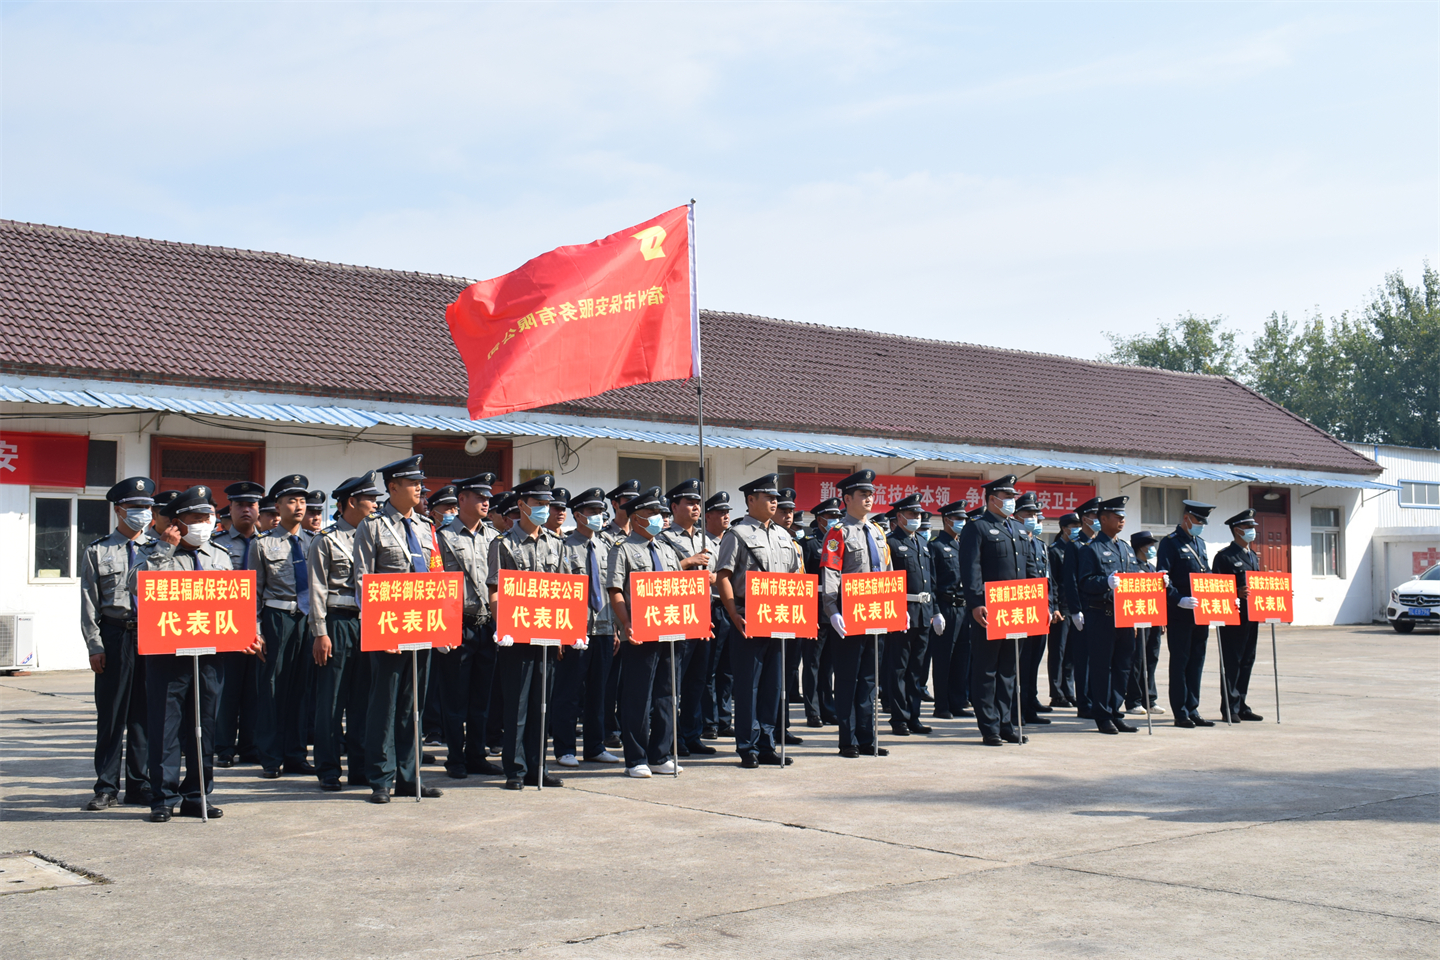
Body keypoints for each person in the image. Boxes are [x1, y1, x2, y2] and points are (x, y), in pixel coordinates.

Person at [130, 485, 262, 821]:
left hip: (209, 655)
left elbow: (235, 602)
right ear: (177, 522)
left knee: (204, 726)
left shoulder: (218, 555)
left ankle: (197, 794)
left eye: (208, 516)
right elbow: (138, 587)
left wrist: (250, 634)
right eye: (195, 517)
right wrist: (164, 549)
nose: (204, 522)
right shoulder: (156, 552)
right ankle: (163, 798)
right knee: (166, 725)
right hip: (167, 655)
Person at [353, 455, 445, 802]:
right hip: (390, 628)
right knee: (385, 703)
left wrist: (443, 625)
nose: (420, 487)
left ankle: (410, 775)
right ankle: (381, 778)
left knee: (413, 704)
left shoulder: (426, 526)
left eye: (420, 482)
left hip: (423, 626)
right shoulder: (372, 526)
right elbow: (363, 581)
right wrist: (380, 630)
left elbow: (436, 576)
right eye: (412, 482)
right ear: (392, 487)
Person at [715, 474, 805, 768]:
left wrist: (802, 614)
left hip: (779, 618)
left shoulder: (784, 536)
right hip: (748, 617)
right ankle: (747, 746)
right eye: (768, 497)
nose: (774, 502)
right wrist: (733, 613)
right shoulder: (737, 534)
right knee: (748, 685)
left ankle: (767, 743)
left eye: (775, 497)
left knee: (772, 685)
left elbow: (795, 578)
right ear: (751, 500)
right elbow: (723, 577)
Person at [79, 476, 157, 810]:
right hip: (114, 634)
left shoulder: (158, 550)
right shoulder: (98, 550)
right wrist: (94, 645)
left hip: (151, 635)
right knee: (111, 714)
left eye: (147, 507)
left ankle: (139, 785)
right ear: (119, 510)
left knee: (143, 715)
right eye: (135, 507)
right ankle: (106, 787)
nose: (142, 512)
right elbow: (88, 603)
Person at [488, 473, 567, 790]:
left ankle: (539, 766)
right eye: (538, 503)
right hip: (516, 635)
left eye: (547, 504)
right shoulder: (503, 544)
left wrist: (565, 632)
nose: (545, 509)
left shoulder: (556, 544)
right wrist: (501, 625)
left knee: (542, 704)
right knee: (517, 706)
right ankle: (516, 769)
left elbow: (563, 590)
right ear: (521, 505)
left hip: (547, 634)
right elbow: (494, 590)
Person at [307, 473, 380, 791]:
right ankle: (328, 768)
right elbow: (316, 590)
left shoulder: (377, 535)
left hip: (369, 624)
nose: (376, 505)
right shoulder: (326, 539)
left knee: (364, 700)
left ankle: (360, 767)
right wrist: (320, 632)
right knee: (331, 700)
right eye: (370, 500)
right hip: (337, 622)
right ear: (351, 502)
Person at [606, 487, 685, 778]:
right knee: (638, 695)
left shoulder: (667, 549)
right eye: (651, 514)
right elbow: (615, 591)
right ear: (636, 517)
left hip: (670, 630)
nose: (658, 519)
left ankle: (660, 754)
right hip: (639, 631)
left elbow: (681, 591)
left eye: (660, 514)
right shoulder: (623, 548)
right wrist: (625, 622)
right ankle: (635, 757)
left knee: (668, 693)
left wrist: (698, 620)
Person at [432, 472, 504, 779]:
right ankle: (455, 758)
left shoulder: (494, 537)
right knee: (454, 699)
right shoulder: (443, 535)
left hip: (487, 625)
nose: (486, 502)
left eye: (488, 497)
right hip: (457, 624)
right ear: (462, 500)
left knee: (481, 698)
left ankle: (476, 755)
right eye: (479, 496)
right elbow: (435, 583)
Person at [959, 475, 1040, 746]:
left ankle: (1006, 722)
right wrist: (975, 602)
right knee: (987, 669)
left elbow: (1029, 569)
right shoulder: (977, 528)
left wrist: (1036, 603)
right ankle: (989, 727)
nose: (1011, 502)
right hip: (990, 610)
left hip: (1017, 607)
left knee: (1009, 670)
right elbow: (971, 569)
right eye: (1007, 498)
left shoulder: (1018, 530)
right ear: (992, 498)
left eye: (1013, 498)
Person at [819, 470, 894, 758]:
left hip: (876, 615)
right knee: (849, 678)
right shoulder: (838, 532)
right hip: (849, 616)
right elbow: (831, 572)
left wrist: (896, 606)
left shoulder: (877, 531)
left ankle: (867, 737)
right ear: (847, 498)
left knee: (869, 680)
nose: (868, 499)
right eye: (862, 494)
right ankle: (847, 739)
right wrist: (832, 609)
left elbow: (886, 572)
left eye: (870, 494)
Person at [249, 474, 316, 779]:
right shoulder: (263, 544)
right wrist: (256, 629)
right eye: (291, 500)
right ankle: (270, 757)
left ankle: (296, 754)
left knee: (302, 688)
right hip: (277, 618)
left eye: (302, 500)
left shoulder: (315, 541)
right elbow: (253, 592)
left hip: (307, 619)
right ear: (277, 506)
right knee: (273, 689)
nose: (299, 506)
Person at [553, 487, 622, 767]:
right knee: (569, 693)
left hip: (604, 629)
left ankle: (595, 745)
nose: (598, 516)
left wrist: (616, 627)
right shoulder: (564, 547)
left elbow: (611, 589)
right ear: (577, 515)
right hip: (575, 631)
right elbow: (557, 591)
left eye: (600, 511)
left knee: (599, 692)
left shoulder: (606, 546)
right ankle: (565, 748)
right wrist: (559, 633)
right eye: (592, 512)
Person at [658, 478, 720, 758]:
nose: (695, 507)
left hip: (704, 615)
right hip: (677, 617)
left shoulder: (706, 538)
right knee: (674, 682)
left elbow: (718, 575)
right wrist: (686, 563)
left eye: (698, 502)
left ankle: (692, 733)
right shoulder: (664, 539)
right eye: (689, 502)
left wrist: (713, 576)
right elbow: (656, 578)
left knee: (698, 680)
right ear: (674, 507)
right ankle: (672, 738)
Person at [1076, 496, 1142, 734]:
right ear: (1103, 519)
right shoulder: (1091, 549)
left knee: (1123, 667)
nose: (1122, 520)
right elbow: (1084, 582)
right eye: (1117, 516)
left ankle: (1115, 711)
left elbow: (1135, 580)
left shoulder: (1125, 548)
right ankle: (1102, 715)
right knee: (1102, 667)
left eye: (1123, 516)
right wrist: (1105, 582)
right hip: (1101, 615)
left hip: (1125, 616)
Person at [213, 480, 265, 767]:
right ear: (230, 509)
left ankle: (251, 746)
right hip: (226, 627)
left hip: (259, 627)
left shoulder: (269, 542)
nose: (246, 510)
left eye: (252, 505)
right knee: (226, 690)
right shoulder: (214, 545)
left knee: (254, 691)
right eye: (240, 505)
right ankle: (223, 747)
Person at [1158, 500, 1218, 728]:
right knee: (1180, 663)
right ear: (1186, 519)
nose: (1201, 525)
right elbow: (1163, 578)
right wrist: (1178, 600)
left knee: (1197, 662)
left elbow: (1208, 576)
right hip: (1180, 613)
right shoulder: (1169, 543)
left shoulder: (1200, 544)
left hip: (1200, 613)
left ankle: (1193, 708)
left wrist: (1223, 597)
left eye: (1203, 522)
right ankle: (1180, 712)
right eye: (1198, 521)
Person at [883, 493, 937, 737]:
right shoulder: (890, 543)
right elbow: (886, 581)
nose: (917, 518)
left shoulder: (923, 544)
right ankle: (899, 718)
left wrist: (935, 612)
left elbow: (931, 582)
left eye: (919, 514)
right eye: (912, 514)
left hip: (924, 614)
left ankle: (914, 716)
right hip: (902, 614)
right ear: (900, 516)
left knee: (917, 670)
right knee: (898, 670)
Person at [1213, 509, 1265, 721]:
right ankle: (1229, 707)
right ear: (1237, 530)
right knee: (1232, 661)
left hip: (1252, 616)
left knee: (1247, 660)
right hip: (1233, 617)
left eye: (1253, 527)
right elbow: (1214, 588)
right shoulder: (1224, 556)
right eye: (1248, 527)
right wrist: (1236, 592)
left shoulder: (1252, 555)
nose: (1253, 531)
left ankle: (1242, 703)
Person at [1013, 493, 1059, 726]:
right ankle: (1017, 708)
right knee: (1019, 663)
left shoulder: (1041, 545)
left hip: (1041, 613)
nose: (1033, 519)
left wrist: (1050, 606)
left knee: (1033, 663)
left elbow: (1048, 581)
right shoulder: (1016, 543)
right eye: (1028, 514)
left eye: (1036, 515)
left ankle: (1030, 703)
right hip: (1021, 611)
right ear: (1016, 516)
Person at [800, 498, 843, 726]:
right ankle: (813, 710)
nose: (835, 520)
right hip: (815, 612)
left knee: (829, 664)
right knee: (813, 664)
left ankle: (828, 707)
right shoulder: (809, 543)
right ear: (820, 520)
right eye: (831, 517)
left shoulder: (838, 540)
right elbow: (804, 582)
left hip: (835, 612)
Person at [927, 500, 971, 721]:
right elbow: (931, 582)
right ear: (946, 520)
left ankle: (957, 701)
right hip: (946, 607)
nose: (962, 523)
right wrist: (935, 611)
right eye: (958, 519)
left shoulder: (963, 544)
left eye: (964, 519)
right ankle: (941, 705)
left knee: (962, 659)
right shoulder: (935, 546)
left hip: (964, 608)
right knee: (944, 659)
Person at [1063, 496, 1102, 718]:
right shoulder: (1075, 545)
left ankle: (1098, 700)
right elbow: (1071, 580)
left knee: (1099, 658)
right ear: (1085, 518)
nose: (1098, 520)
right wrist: (1076, 610)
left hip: (1100, 609)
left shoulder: (1100, 543)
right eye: (1095, 516)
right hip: (1084, 609)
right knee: (1084, 659)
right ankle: (1084, 704)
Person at [702, 491, 736, 739]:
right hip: (712, 607)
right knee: (710, 669)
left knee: (727, 669)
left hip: (731, 608)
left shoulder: (732, 540)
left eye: (728, 512)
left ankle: (725, 719)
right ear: (708, 516)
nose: (726, 516)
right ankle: (709, 721)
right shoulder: (702, 543)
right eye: (721, 512)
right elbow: (707, 578)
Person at [1126, 529, 1165, 716]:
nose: (1152, 549)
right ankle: (1134, 700)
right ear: (1141, 546)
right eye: (1149, 545)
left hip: (1154, 619)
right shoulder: (1131, 567)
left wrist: (1162, 619)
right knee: (1137, 660)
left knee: (1151, 659)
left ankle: (1150, 698)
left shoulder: (1151, 568)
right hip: (1139, 619)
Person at [1046, 513, 1081, 709]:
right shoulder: (1055, 550)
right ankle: (1056, 693)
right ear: (1064, 528)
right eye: (1073, 526)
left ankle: (1069, 691)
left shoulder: (1076, 549)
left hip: (1074, 607)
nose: (1076, 529)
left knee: (1071, 653)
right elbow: (1052, 582)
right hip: (1061, 608)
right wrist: (1056, 607)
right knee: (1058, 651)